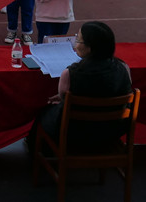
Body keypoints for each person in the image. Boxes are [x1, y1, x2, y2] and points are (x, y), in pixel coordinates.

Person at [34, 21, 132, 152]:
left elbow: (63, 97)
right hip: (112, 130)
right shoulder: (124, 68)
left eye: (78, 40)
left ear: (90, 48)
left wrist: (66, 99)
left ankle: (37, 152)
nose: (75, 44)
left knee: (44, 111)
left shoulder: (69, 74)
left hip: (75, 131)